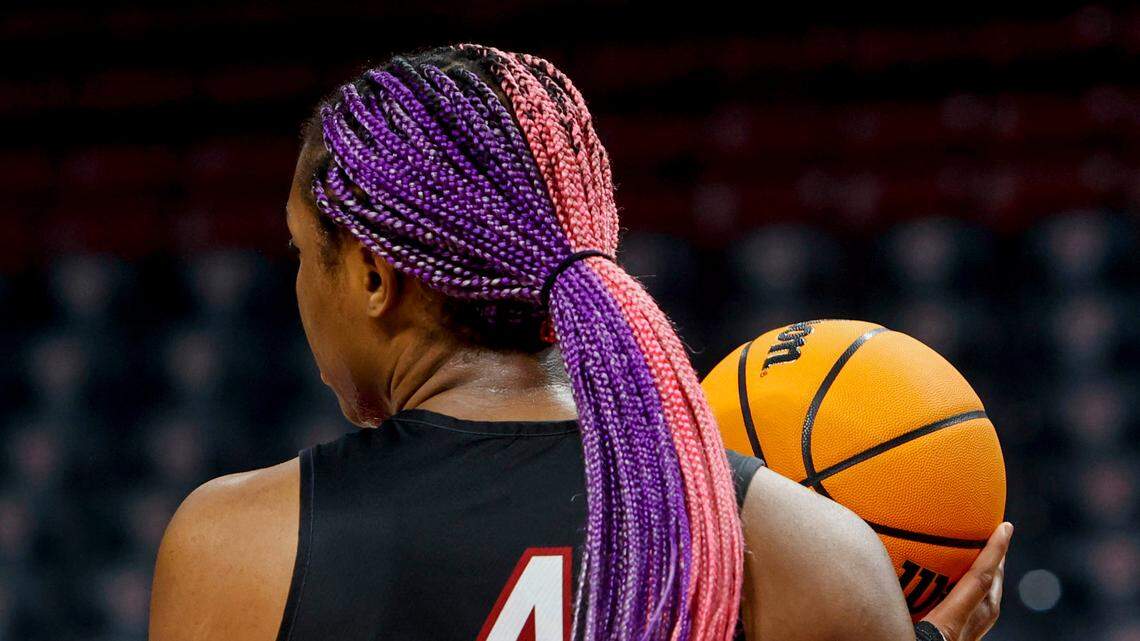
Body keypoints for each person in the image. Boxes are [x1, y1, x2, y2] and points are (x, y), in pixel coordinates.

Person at [148, 45, 1011, 641]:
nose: (297, 287)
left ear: (373, 277)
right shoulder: (805, 549)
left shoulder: (237, 546)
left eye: (303, 252)